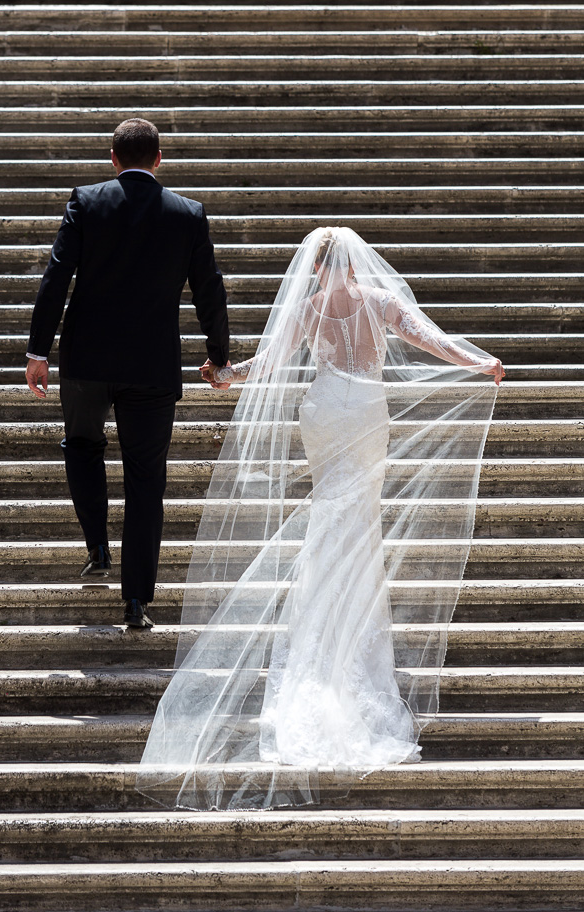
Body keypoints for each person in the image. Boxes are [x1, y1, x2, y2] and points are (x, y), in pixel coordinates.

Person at [138, 226, 504, 810]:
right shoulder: (380, 303)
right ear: (356, 267)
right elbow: (430, 339)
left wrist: (226, 376)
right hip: (365, 413)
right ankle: (356, 640)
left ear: (316, 269)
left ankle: (316, 633)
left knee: (328, 520)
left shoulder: (307, 310)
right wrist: (479, 360)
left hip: (325, 410)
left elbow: (269, 362)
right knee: (360, 525)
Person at [25, 118, 230, 629]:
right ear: (159, 159)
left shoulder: (87, 202)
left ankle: (97, 543)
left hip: (86, 359)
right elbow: (210, 290)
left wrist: (37, 350)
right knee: (145, 480)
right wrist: (219, 354)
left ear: (113, 159)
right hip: (152, 364)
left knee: (82, 445)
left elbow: (55, 279)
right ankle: (136, 599)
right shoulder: (188, 214)